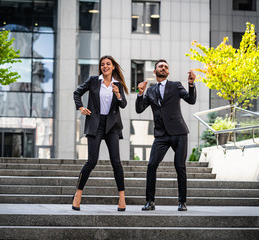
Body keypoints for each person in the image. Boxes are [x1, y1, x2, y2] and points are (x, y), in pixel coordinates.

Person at [135, 59, 196, 211]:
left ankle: (182, 202)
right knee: (151, 165)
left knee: (179, 166)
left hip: (179, 132)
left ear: (168, 71)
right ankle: (150, 201)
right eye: (160, 66)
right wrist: (140, 93)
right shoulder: (150, 90)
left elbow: (191, 100)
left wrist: (191, 84)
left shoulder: (175, 86)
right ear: (155, 72)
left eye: (166, 67)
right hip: (161, 135)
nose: (163, 68)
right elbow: (139, 109)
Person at [72, 55, 129, 211]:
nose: (105, 66)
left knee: (116, 162)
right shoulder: (93, 81)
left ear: (113, 67)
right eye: (103, 64)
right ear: (101, 67)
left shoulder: (118, 84)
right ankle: (77, 194)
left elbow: (123, 104)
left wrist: (118, 94)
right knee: (91, 161)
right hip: (95, 123)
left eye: (108, 64)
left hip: (112, 125)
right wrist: (81, 107)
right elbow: (77, 93)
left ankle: (122, 198)